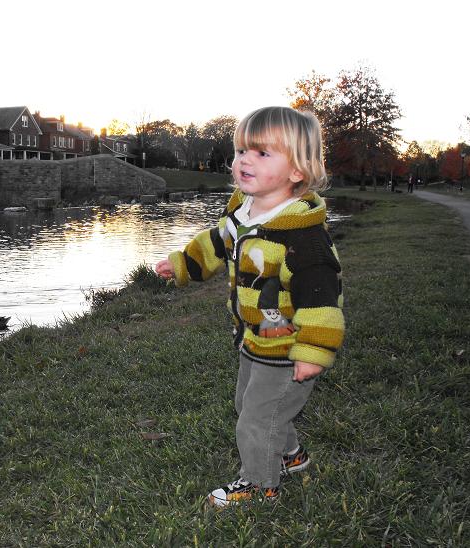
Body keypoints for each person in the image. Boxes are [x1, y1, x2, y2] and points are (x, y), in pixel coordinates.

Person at [155, 106, 345, 508]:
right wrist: (182, 265)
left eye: (262, 153)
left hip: (288, 344)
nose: (244, 160)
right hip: (254, 339)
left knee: (258, 417)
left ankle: (261, 486)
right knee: (251, 404)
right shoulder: (242, 211)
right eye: (242, 150)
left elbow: (321, 298)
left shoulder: (302, 237)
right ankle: (292, 457)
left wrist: (313, 350)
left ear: (298, 171)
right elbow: (214, 244)